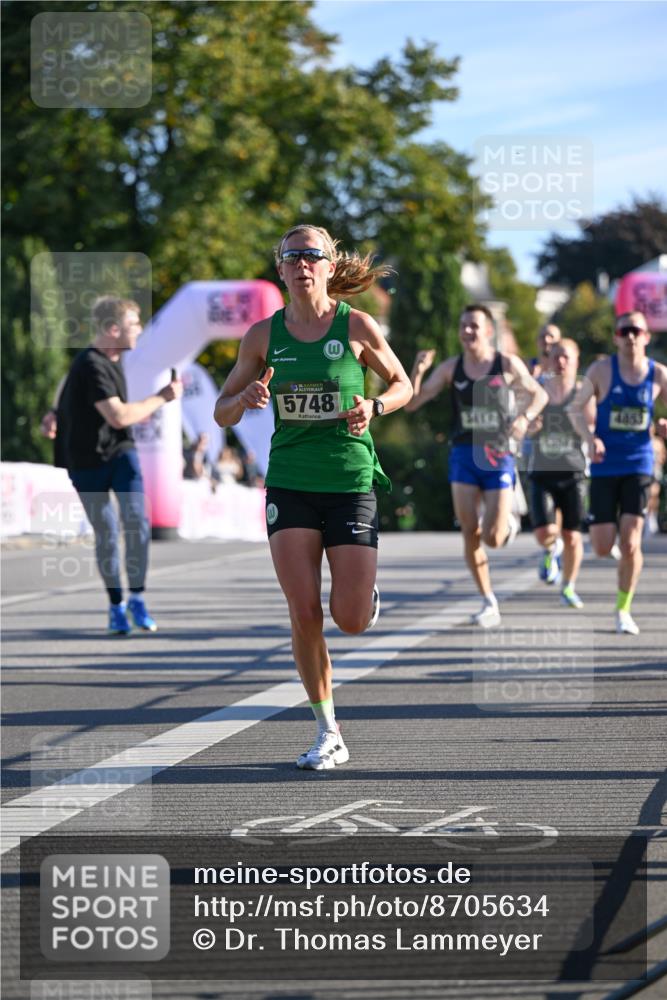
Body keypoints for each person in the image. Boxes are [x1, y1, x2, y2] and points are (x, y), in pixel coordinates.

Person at [214, 223, 412, 770]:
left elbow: (402, 384)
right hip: (290, 482)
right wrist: (245, 396)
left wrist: (376, 407)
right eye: (291, 256)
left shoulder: (358, 326)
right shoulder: (261, 336)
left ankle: (362, 598)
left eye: (312, 255)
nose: (301, 264)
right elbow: (221, 410)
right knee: (303, 612)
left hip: (349, 480)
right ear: (279, 269)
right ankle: (328, 730)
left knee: (346, 618)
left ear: (329, 266)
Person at [41, 296, 182, 634]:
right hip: (85, 459)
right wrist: (163, 397)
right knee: (107, 532)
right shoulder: (90, 364)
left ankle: (137, 598)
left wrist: (54, 410)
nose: (140, 331)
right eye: (135, 325)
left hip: (120, 452)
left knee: (137, 520)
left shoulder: (113, 355)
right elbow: (119, 416)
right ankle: (116, 604)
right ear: (114, 329)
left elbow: (65, 382)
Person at [407, 304, 548, 628]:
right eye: (463, 326)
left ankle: (508, 521)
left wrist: (524, 418)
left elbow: (538, 394)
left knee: (493, 538)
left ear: (488, 331)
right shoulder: (451, 368)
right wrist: (418, 368)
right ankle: (488, 599)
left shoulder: (505, 363)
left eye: (474, 325)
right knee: (470, 532)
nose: (467, 331)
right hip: (463, 454)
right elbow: (414, 402)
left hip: (498, 454)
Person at [569, 311, 667, 634]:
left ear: (646, 336)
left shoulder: (658, 375)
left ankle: (623, 609)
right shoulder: (600, 370)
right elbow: (575, 409)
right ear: (616, 336)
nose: (630, 336)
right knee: (600, 546)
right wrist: (590, 437)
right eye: (624, 331)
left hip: (639, 463)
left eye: (636, 330)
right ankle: (607, 542)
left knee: (631, 543)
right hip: (604, 465)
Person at [527, 339, 594, 608]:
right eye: (555, 356)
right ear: (549, 360)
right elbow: (526, 424)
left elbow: (591, 427)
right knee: (544, 532)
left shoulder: (583, 392)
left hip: (574, 471)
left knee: (573, 535)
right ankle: (549, 550)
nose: (560, 361)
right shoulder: (539, 391)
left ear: (576, 360)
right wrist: (531, 426)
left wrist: (581, 425)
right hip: (542, 469)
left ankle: (568, 586)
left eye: (566, 356)